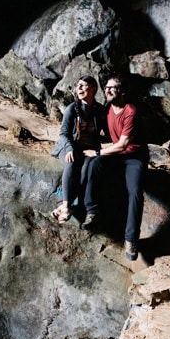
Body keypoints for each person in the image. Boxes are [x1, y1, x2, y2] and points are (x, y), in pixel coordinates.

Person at [80, 72, 148, 261]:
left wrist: (99, 152)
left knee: (134, 192)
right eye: (106, 87)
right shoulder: (107, 109)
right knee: (94, 165)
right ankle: (91, 211)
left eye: (112, 88)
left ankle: (131, 240)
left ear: (123, 92)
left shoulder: (130, 111)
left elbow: (123, 144)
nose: (108, 90)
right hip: (117, 156)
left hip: (135, 158)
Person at [50, 76, 104, 224]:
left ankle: (71, 206)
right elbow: (64, 133)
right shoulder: (71, 109)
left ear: (93, 88)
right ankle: (66, 206)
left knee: (88, 167)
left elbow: (109, 132)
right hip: (68, 146)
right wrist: (69, 148)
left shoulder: (99, 110)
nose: (78, 89)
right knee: (72, 162)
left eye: (83, 85)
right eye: (77, 86)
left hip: (88, 149)